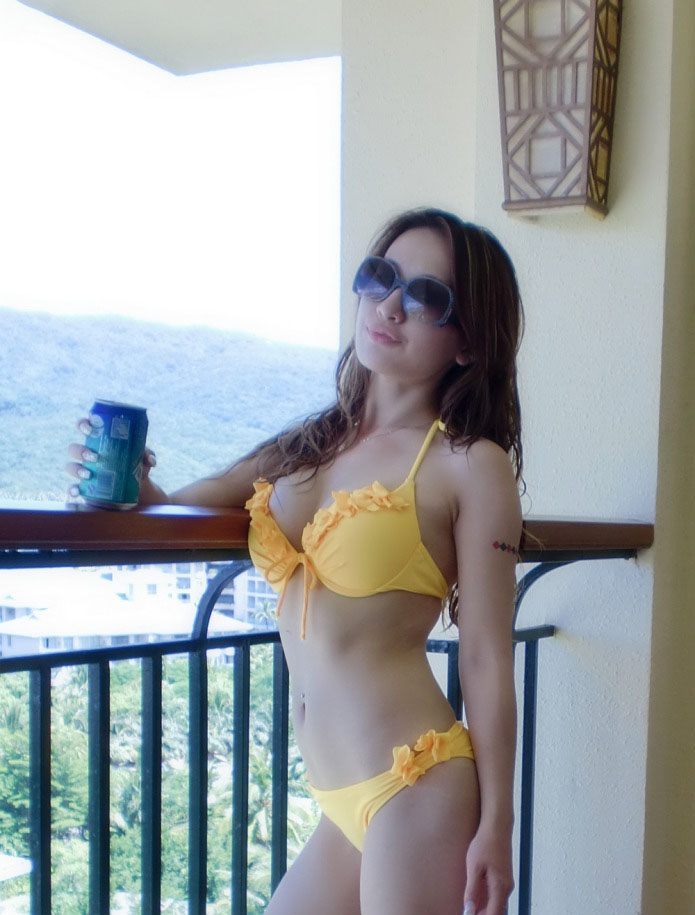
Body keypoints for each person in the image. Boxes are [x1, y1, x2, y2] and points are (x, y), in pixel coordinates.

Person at [67, 207, 523, 915]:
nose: (389, 305)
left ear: (466, 342)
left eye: (425, 296)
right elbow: (175, 505)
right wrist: (125, 483)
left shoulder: (468, 465)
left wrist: (498, 822)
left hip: (418, 784)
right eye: (381, 276)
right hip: (339, 799)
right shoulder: (310, 445)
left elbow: (487, 657)